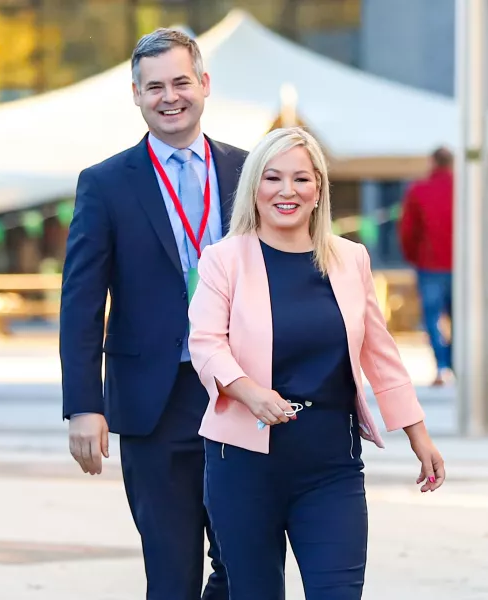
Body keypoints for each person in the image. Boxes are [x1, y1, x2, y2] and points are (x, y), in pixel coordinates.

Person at [188, 127, 446, 600]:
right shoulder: (223, 260)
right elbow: (206, 344)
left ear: (319, 189)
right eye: (273, 178)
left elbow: (381, 354)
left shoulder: (350, 259)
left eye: (301, 179)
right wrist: (248, 390)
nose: (287, 191)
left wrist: (417, 433)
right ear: (254, 187)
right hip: (243, 465)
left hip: (331, 464)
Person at [60, 28, 246, 600]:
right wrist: (84, 406)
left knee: (246, 567)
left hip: (241, 394)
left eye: (181, 82)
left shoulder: (249, 172)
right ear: (136, 95)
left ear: (204, 85)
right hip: (153, 406)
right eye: (154, 86)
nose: (170, 97)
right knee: (172, 573)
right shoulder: (106, 183)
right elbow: (81, 302)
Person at [399, 147, 454, 385]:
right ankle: (455, 364)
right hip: (462, 267)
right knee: (462, 319)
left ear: (432, 162)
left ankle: (442, 366)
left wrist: (414, 257)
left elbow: (408, 230)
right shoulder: (467, 189)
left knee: (432, 318)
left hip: (429, 263)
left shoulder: (418, 190)